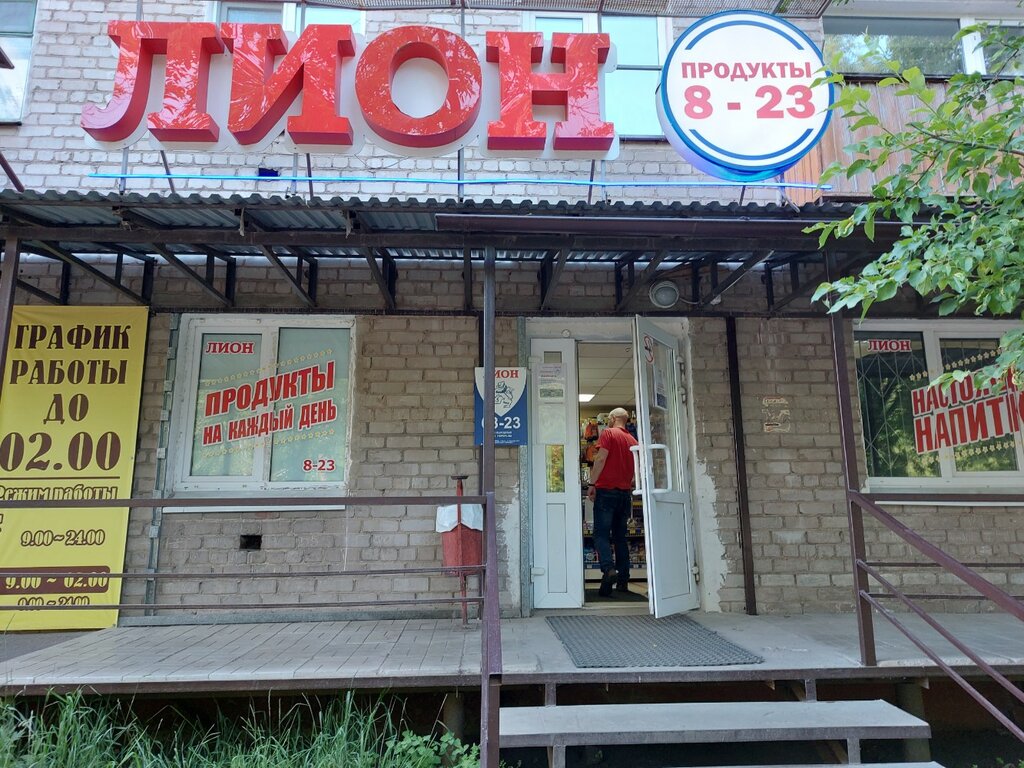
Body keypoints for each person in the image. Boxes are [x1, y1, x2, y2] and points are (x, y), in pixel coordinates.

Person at [586, 407, 638, 597]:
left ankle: (608, 569)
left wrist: (592, 483)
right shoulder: (633, 440)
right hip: (625, 493)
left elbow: (600, 459)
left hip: (606, 491)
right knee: (620, 538)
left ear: (614, 418)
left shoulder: (609, 433)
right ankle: (623, 580)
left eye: (609, 417)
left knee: (600, 534)